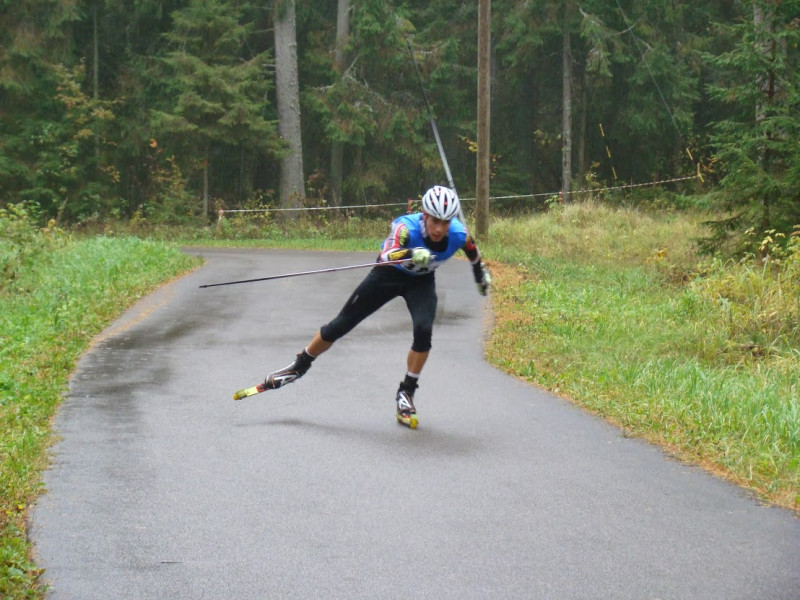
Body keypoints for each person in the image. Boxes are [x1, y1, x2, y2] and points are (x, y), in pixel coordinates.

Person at [263, 185, 491, 429]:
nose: (439, 229)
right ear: (424, 214)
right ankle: (299, 366)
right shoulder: (406, 227)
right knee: (341, 325)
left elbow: (471, 249)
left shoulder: (458, 233)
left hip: (421, 282)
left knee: (424, 330)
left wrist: (479, 274)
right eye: (435, 220)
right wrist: (411, 252)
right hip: (387, 275)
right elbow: (387, 254)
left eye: (445, 222)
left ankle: (406, 393)